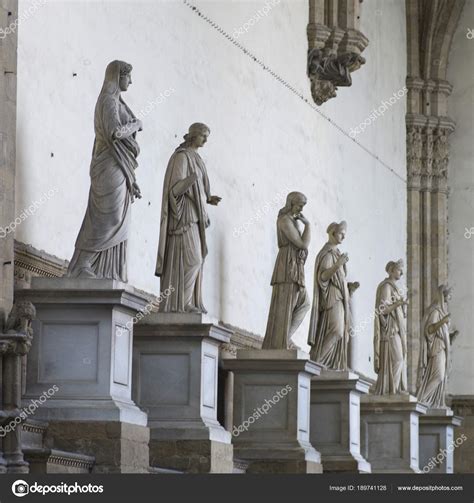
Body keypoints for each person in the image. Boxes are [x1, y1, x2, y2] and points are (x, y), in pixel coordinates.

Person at [67, 60, 142, 282]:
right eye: (128, 77)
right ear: (118, 76)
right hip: (107, 166)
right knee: (108, 217)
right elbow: (115, 133)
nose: (131, 81)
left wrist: (131, 178)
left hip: (119, 167)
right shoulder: (108, 101)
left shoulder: (120, 103)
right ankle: (83, 263)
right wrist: (137, 125)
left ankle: (104, 270)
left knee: (118, 218)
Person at [155, 123, 221, 313]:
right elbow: (175, 189)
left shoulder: (197, 159)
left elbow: (198, 189)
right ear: (193, 136)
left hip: (196, 216)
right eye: (203, 135)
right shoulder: (182, 157)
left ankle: (188, 302)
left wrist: (207, 198)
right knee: (193, 260)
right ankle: (180, 304)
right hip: (184, 217)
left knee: (197, 260)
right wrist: (191, 180)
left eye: (207, 136)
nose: (205, 140)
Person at [262, 192, 311, 349]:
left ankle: (283, 338)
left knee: (303, 303)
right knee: (286, 304)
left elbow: (302, 247)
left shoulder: (292, 221)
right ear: (291, 203)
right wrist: (308, 225)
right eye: (299, 205)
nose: (301, 209)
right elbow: (302, 243)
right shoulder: (284, 220)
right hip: (287, 265)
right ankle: (279, 342)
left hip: (295, 264)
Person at [308, 221, 359, 370]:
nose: (343, 237)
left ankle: (329, 365)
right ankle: (317, 363)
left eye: (345, 235)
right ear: (333, 233)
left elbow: (339, 280)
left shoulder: (337, 253)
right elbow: (323, 277)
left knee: (341, 332)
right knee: (336, 331)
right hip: (332, 298)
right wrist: (337, 265)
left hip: (340, 298)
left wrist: (350, 289)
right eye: (341, 234)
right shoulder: (328, 253)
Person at [373, 260, 409, 394]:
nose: (402, 272)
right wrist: (398, 303)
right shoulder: (386, 287)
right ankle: (390, 390)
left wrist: (402, 306)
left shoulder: (394, 288)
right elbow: (382, 310)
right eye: (399, 269)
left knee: (400, 359)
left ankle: (395, 388)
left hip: (397, 330)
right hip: (390, 331)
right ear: (391, 270)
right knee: (398, 359)